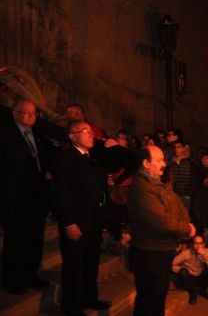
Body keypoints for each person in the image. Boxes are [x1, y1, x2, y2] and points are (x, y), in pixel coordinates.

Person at [126, 145, 196, 316]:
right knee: (149, 298)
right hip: (149, 252)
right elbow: (161, 220)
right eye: (159, 160)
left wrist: (185, 222)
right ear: (146, 163)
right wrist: (186, 229)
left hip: (163, 249)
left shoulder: (161, 184)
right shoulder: (141, 187)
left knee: (159, 296)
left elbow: (178, 207)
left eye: (163, 159)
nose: (164, 164)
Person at [53, 121, 109, 315]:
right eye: (85, 131)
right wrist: (69, 222)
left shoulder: (91, 158)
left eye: (91, 131)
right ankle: (72, 306)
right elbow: (62, 192)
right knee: (74, 266)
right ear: (73, 136)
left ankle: (89, 298)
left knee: (91, 263)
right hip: (76, 221)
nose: (90, 135)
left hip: (93, 221)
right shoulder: (66, 158)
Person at [0, 98, 51, 294]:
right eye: (25, 112)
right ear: (15, 114)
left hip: (37, 199)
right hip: (14, 198)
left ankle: (31, 275)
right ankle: (12, 279)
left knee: (34, 239)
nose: (30, 116)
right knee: (15, 240)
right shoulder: (5, 135)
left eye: (33, 113)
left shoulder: (38, 136)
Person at [171, 235, 208, 305]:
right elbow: (172, 264)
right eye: (195, 243)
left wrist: (204, 255)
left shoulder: (205, 252)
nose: (198, 246)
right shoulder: (186, 253)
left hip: (199, 276)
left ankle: (203, 290)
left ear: (203, 244)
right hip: (189, 278)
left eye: (200, 243)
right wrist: (182, 269)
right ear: (192, 244)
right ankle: (193, 292)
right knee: (183, 272)